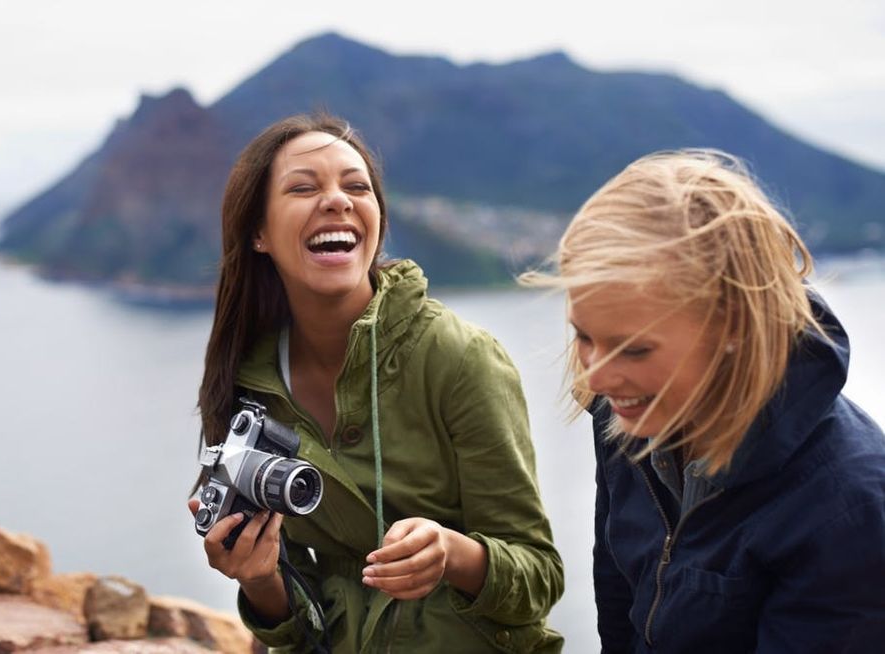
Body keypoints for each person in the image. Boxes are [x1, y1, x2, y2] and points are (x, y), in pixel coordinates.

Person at [189, 113, 564, 653]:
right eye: (303, 187)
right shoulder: (252, 384)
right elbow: (297, 624)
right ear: (258, 233)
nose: (338, 200)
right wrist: (257, 577)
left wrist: (451, 554)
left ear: (377, 221)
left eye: (356, 186)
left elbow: (539, 578)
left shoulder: (458, 358)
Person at [523, 150, 885, 652]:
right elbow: (619, 596)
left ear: (733, 329)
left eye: (635, 348)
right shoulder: (629, 414)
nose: (597, 377)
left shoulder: (849, 510)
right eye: (585, 337)